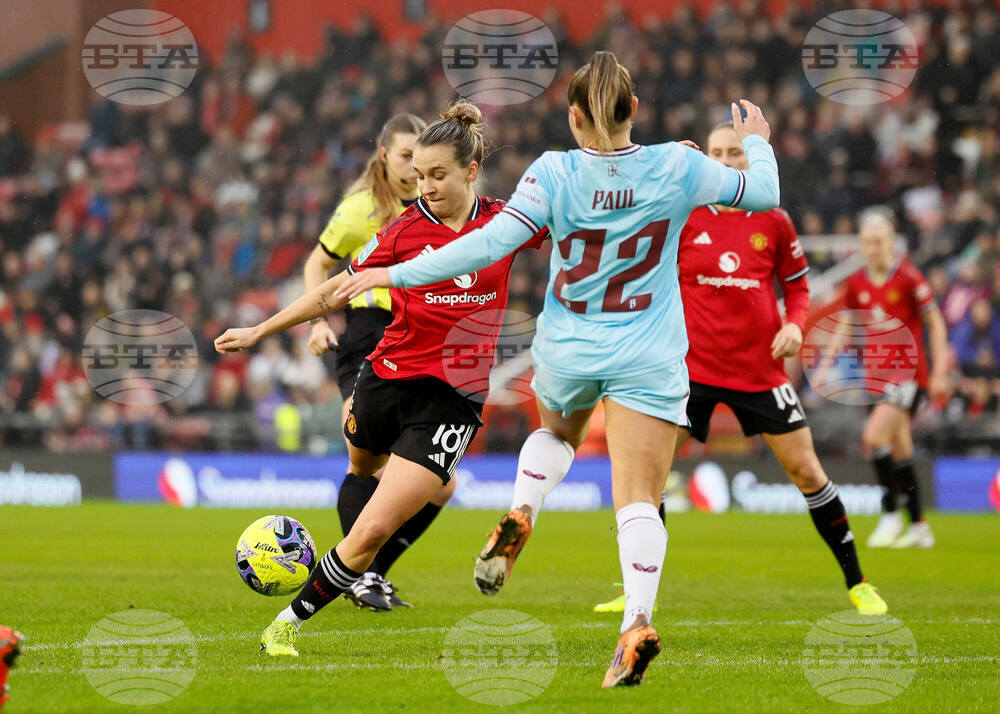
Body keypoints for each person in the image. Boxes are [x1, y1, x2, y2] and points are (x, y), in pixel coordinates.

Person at [336, 51, 781, 688]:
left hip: (571, 347)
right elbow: (764, 194)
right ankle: (636, 622)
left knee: (556, 437)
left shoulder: (554, 171)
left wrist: (394, 271)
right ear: (635, 111)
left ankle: (524, 508)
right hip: (648, 352)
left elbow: (488, 243)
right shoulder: (680, 165)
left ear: (574, 117)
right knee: (637, 503)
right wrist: (758, 144)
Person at [215, 100, 546, 657]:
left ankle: (285, 626)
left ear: (470, 170)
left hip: (452, 401)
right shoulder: (404, 229)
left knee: (369, 530)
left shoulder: (506, 222)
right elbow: (333, 287)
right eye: (419, 176)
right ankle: (361, 575)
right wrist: (261, 330)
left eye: (438, 175)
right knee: (360, 467)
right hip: (384, 380)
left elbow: (584, 221)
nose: (426, 186)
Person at [589, 122, 887, 616]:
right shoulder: (682, 214)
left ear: (751, 160)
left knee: (806, 471)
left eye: (737, 153)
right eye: (718, 153)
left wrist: (795, 325)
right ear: (705, 157)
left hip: (759, 371)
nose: (727, 162)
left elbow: (796, 286)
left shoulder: (772, 218)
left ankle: (858, 583)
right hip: (690, 372)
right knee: (647, 479)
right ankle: (634, 590)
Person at [302, 113, 447, 612]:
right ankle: (359, 576)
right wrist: (316, 322)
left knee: (443, 488)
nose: (414, 167)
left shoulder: (438, 206)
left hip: (420, 338)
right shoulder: (360, 210)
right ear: (384, 156)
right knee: (361, 451)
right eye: (406, 156)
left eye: (422, 158)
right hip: (368, 335)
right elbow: (317, 262)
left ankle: (370, 572)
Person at [841, 209, 950, 548]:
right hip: (875, 378)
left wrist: (941, 371)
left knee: (873, 438)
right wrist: (828, 358)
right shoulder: (856, 283)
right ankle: (919, 526)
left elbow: (937, 323)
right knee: (900, 452)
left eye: (880, 241)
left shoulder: (909, 279)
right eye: (868, 242)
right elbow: (848, 323)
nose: (874, 248)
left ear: (891, 243)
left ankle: (889, 514)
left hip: (908, 376)